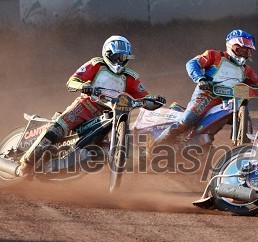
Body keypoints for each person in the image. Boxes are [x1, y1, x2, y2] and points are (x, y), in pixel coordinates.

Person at [17, 35, 166, 176]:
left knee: (103, 150)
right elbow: (72, 81)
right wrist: (83, 87)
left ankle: (72, 165)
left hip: (109, 114)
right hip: (85, 106)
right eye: (115, 57)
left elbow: (146, 99)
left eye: (123, 57)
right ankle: (27, 163)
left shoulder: (131, 77)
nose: (119, 61)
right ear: (107, 54)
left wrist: (156, 101)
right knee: (57, 129)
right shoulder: (96, 64)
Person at [154, 29, 258, 144]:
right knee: (188, 119)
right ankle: (155, 147)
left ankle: (241, 148)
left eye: (246, 51)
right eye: (240, 50)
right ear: (231, 47)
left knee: (245, 115)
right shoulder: (214, 56)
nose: (243, 54)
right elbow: (192, 63)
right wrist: (200, 79)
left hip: (229, 102)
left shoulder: (246, 70)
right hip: (207, 95)